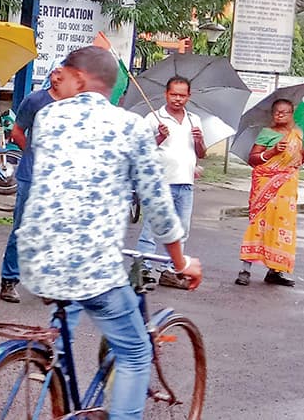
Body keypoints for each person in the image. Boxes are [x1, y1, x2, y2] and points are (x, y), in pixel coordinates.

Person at [17, 46, 202, 420]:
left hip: (37, 259)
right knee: (135, 351)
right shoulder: (131, 126)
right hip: (92, 265)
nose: (57, 79)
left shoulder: (49, 117)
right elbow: (158, 204)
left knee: (66, 319)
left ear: (80, 78)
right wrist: (181, 261)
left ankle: (53, 380)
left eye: (64, 73)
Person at [0, 68, 67, 304]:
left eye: (63, 74)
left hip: (60, 179)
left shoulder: (74, 105)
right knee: (22, 228)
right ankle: (9, 279)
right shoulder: (35, 100)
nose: (58, 78)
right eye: (55, 72)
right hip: (31, 175)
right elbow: (17, 131)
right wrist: (34, 152)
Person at [135, 76, 206, 289]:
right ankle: (143, 268)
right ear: (166, 94)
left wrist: (199, 140)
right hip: (159, 182)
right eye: (173, 94)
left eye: (182, 95)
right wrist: (159, 137)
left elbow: (201, 153)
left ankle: (171, 270)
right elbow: (140, 150)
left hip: (185, 182)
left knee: (181, 229)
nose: (177, 99)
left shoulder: (194, 120)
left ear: (189, 96)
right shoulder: (153, 118)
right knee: (151, 227)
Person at [236, 98, 301, 287]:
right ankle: (245, 270)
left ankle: (275, 271)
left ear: (291, 114)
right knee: (258, 226)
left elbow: (298, 159)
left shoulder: (298, 135)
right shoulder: (267, 133)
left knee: (282, 228)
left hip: (287, 189)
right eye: (276, 112)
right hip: (265, 187)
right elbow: (253, 159)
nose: (279, 115)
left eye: (284, 112)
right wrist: (272, 152)